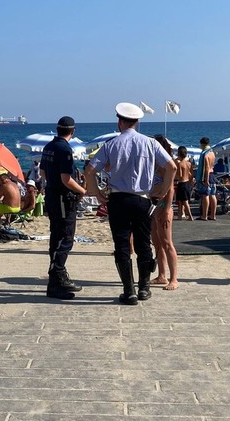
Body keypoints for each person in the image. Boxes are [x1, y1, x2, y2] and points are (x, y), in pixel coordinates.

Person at [85, 103, 175, 305]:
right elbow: (171, 166)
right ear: (137, 122)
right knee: (144, 243)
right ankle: (144, 287)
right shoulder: (151, 143)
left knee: (122, 244)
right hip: (142, 198)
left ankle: (129, 290)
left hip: (118, 199)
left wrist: (98, 194)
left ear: (120, 121)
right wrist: (163, 189)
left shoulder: (111, 144)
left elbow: (90, 171)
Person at [40, 116, 87, 299]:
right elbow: (66, 179)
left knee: (56, 237)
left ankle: (59, 276)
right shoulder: (64, 149)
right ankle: (55, 280)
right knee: (65, 238)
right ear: (73, 131)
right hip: (62, 198)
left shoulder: (49, 146)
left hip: (52, 195)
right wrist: (82, 190)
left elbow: (43, 173)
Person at [151, 136, 179, 291]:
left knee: (167, 243)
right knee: (157, 243)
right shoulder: (155, 164)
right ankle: (162, 274)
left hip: (162, 205)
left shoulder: (165, 165)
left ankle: (174, 278)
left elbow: (171, 189)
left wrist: (167, 209)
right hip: (153, 205)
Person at [196, 137, 217, 221]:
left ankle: (204, 215)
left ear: (202, 144)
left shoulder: (205, 154)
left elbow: (207, 168)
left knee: (205, 195)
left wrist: (206, 179)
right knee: (212, 195)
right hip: (212, 175)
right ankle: (213, 215)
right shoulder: (212, 153)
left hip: (206, 176)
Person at [174, 145, 194, 221]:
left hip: (181, 183)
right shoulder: (188, 163)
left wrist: (174, 175)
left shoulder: (179, 163)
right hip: (187, 183)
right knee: (182, 200)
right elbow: (191, 174)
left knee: (184, 201)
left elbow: (180, 175)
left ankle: (190, 216)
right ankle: (180, 215)